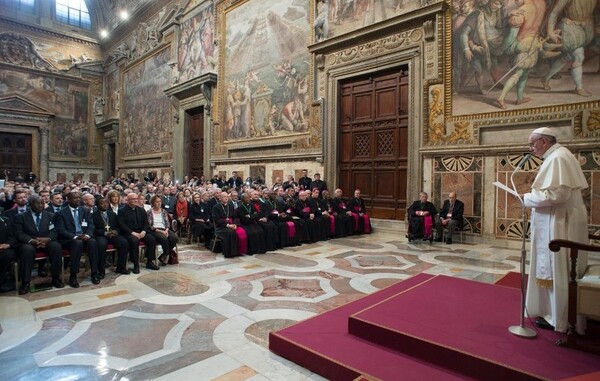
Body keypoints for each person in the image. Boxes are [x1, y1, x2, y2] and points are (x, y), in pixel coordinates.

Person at [522, 127, 589, 334]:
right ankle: (553, 313)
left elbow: (558, 194)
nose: (532, 149)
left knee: (557, 267)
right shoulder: (559, 155)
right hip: (557, 219)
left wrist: (526, 199)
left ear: (543, 141)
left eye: (533, 144)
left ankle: (559, 318)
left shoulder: (558, 158)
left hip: (559, 222)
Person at [13, 195, 64, 294]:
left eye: (42, 203)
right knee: (27, 250)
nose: (41, 205)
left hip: (46, 241)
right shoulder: (20, 217)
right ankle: (25, 282)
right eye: (38, 203)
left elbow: (54, 231)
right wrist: (31, 240)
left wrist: (48, 239)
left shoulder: (50, 216)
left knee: (56, 247)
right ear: (30, 204)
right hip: (29, 243)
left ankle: (56, 278)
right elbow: (19, 233)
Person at [55, 191, 99, 287]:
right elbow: (61, 230)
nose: (78, 199)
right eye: (75, 198)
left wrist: (87, 235)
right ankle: (73, 276)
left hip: (84, 236)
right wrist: (75, 237)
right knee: (77, 243)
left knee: (93, 242)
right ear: (68, 199)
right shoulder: (61, 213)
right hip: (69, 239)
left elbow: (91, 226)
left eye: (79, 197)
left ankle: (94, 273)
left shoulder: (85, 210)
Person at [117, 193, 159, 273]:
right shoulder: (122, 210)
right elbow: (122, 224)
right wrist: (132, 233)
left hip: (141, 232)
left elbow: (146, 222)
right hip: (129, 233)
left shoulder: (141, 210)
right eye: (133, 199)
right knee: (134, 241)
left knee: (151, 239)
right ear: (128, 200)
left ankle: (149, 262)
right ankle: (136, 264)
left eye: (137, 198)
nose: (136, 200)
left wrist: (144, 231)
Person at [93, 197, 130, 275]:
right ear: (97, 205)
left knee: (124, 242)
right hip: (101, 235)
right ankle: (101, 271)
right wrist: (105, 233)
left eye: (106, 203)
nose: (105, 204)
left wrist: (116, 231)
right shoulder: (93, 215)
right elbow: (93, 229)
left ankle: (121, 268)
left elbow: (118, 225)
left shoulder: (112, 214)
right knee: (101, 245)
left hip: (113, 234)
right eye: (102, 203)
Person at [148, 195, 179, 266]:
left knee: (174, 238)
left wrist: (166, 230)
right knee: (164, 239)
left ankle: (163, 255)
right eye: (157, 202)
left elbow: (167, 222)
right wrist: (161, 231)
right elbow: (150, 225)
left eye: (160, 201)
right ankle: (167, 255)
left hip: (165, 229)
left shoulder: (164, 211)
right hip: (155, 230)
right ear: (152, 203)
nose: (159, 203)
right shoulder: (149, 212)